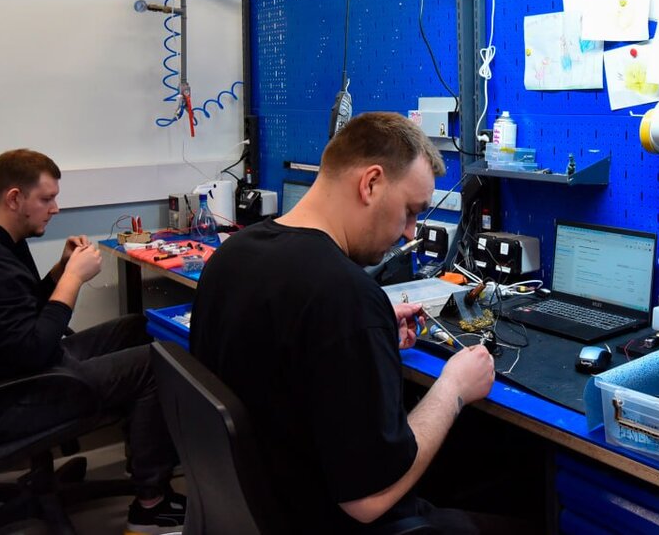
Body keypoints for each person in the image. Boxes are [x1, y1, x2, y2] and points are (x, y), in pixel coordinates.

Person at [190, 112, 498, 532]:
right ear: (370, 184)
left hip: (255, 509)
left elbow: (282, 354)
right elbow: (369, 500)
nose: (411, 233)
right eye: (410, 211)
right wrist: (454, 388)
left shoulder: (232, 255)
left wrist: (366, 332)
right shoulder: (344, 296)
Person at [0, 149, 183, 534]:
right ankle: (151, 505)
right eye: (46, 199)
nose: (55, 208)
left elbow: (19, 314)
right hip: (3, 401)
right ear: (14, 198)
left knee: (139, 328)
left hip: (11, 371)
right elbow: (34, 348)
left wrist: (59, 270)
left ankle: (144, 463)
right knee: (156, 362)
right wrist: (73, 280)